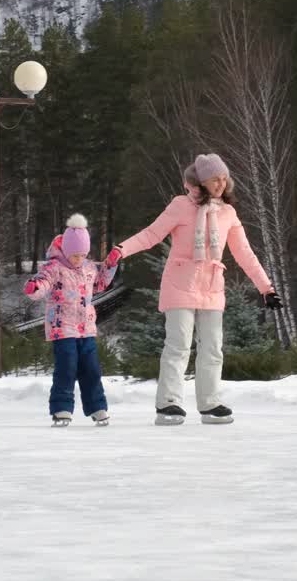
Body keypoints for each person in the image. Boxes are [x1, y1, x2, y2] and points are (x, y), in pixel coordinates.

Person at [106, 154, 282, 425]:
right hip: (180, 283)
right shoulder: (180, 205)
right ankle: (169, 403)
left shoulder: (227, 213)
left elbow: (245, 253)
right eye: (215, 179)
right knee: (178, 346)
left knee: (213, 348)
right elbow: (152, 234)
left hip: (212, 286)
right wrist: (122, 249)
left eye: (224, 178)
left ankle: (210, 404)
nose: (221, 184)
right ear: (201, 181)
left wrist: (266, 288)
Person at [25, 214, 119, 427]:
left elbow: (99, 284)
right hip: (62, 327)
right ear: (66, 250)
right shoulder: (54, 267)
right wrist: (35, 287)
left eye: (82, 254)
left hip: (86, 327)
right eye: (75, 255)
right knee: (67, 368)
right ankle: (61, 409)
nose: (78, 259)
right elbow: (44, 282)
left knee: (92, 369)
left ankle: (97, 407)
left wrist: (110, 265)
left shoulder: (88, 267)